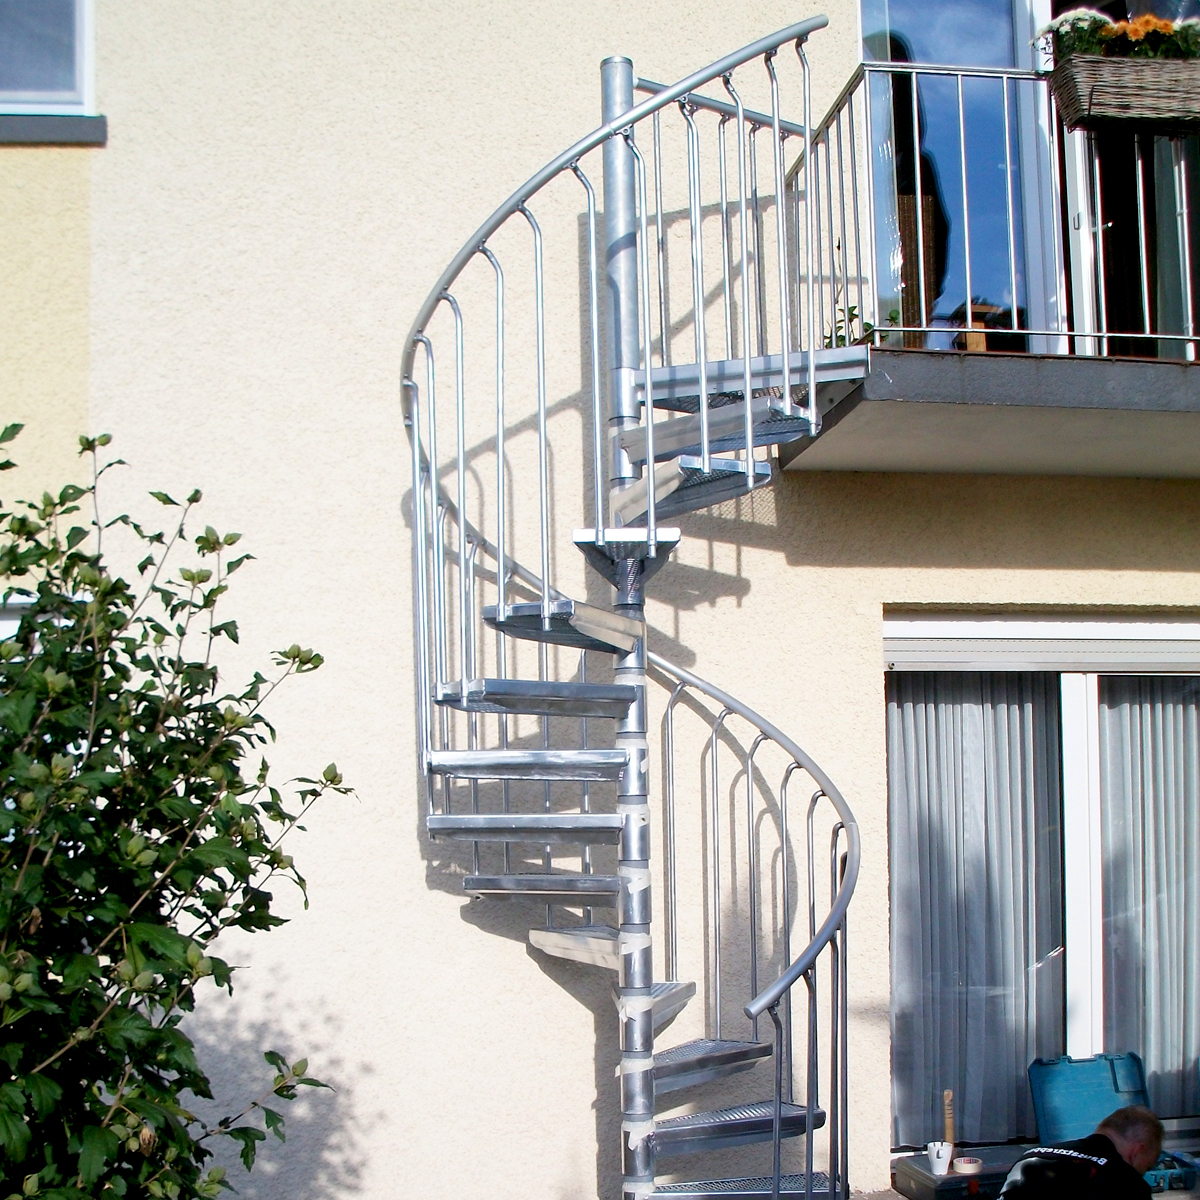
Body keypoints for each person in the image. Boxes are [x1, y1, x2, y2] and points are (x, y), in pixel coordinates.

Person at [999, 1105, 1163, 1199]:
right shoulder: (1128, 1184)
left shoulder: (1033, 1156)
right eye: (1147, 1168)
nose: (1142, 1173)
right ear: (1137, 1151)